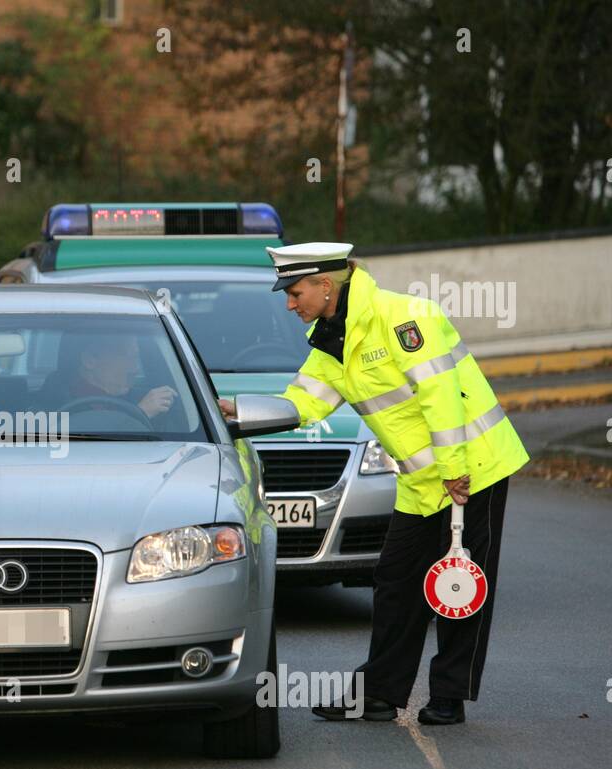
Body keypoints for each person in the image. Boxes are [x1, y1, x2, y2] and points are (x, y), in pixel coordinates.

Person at [219, 242, 529, 725]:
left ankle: (449, 695)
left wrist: (454, 470)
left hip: (472, 467)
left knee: (461, 582)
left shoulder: (405, 318)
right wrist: (237, 408)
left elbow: (441, 395)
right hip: (421, 477)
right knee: (395, 582)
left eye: (295, 292)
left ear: (327, 286)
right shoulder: (332, 340)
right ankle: (379, 694)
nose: (289, 303)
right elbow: (303, 402)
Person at [60, 334, 177, 420]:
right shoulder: (56, 405)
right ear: (90, 360)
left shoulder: (139, 398)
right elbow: (97, 447)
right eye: (127, 357)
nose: (135, 369)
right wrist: (140, 414)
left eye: (136, 357)